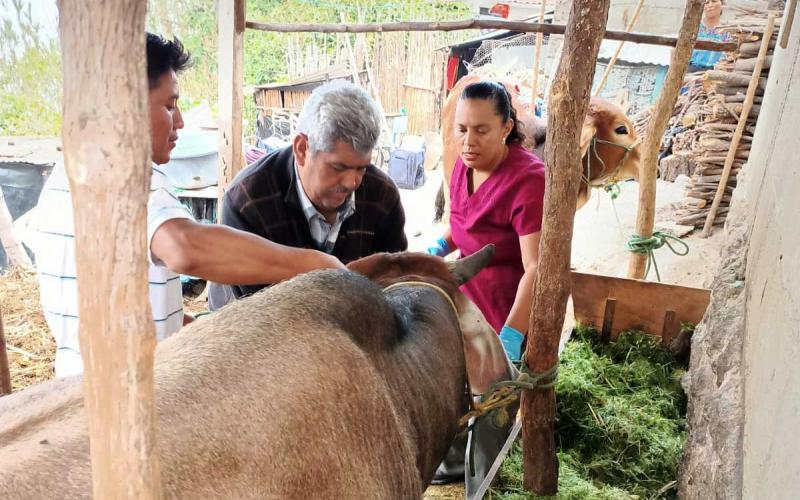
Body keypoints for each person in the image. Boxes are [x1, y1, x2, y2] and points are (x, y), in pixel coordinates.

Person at [32, 34, 344, 378]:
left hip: (75, 388)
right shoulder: (125, 173)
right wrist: (314, 263)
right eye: (169, 106)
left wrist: (194, 330)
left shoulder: (65, 179)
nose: (179, 121)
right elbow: (183, 247)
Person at [208, 81, 407, 309]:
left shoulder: (383, 197)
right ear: (302, 148)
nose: (352, 182)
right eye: (338, 167)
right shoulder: (247, 201)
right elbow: (257, 314)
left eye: (362, 168)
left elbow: (396, 285)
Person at [428, 80, 545, 362]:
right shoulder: (464, 164)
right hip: (465, 305)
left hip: (507, 314)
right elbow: (467, 224)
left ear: (506, 128)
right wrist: (438, 247)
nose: (468, 142)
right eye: (462, 129)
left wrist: (512, 334)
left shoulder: (529, 180)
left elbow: (536, 267)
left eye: (481, 130)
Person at [688, 0, 730, 73]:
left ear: (722, 4)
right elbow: (676, 49)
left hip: (717, 72)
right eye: (706, 3)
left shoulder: (728, 30)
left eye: (714, 1)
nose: (710, 5)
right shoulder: (693, 27)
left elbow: (730, 56)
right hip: (691, 70)